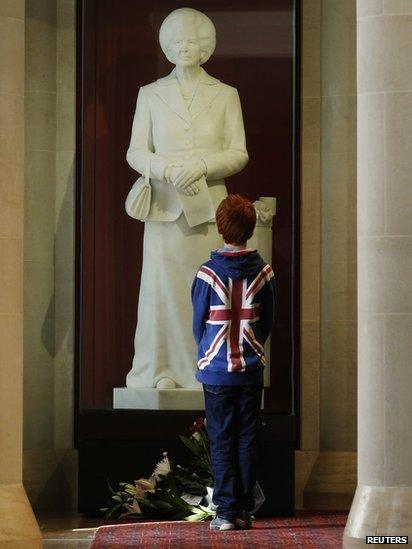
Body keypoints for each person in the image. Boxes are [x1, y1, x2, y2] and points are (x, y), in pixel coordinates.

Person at [125, 8, 249, 390]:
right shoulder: (150, 94)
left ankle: (205, 368)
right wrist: (166, 170)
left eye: (192, 41)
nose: (184, 48)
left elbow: (238, 153)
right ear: (166, 47)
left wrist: (199, 165)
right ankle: (161, 370)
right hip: (165, 212)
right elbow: (136, 152)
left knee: (207, 293)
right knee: (164, 296)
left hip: (209, 214)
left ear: (206, 48)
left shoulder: (226, 95)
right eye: (177, 41)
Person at [191, 194, 276, 531]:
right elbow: (267, 320)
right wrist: (250, 348)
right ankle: (243, 510)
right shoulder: (264, 271)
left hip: (216, 371)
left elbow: (199, 322)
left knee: (222, 438)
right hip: (250, 369)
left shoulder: (207, 273)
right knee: (246, 438)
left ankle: (225, 512)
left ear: (221, 227)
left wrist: (209, 352)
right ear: (251, 227)